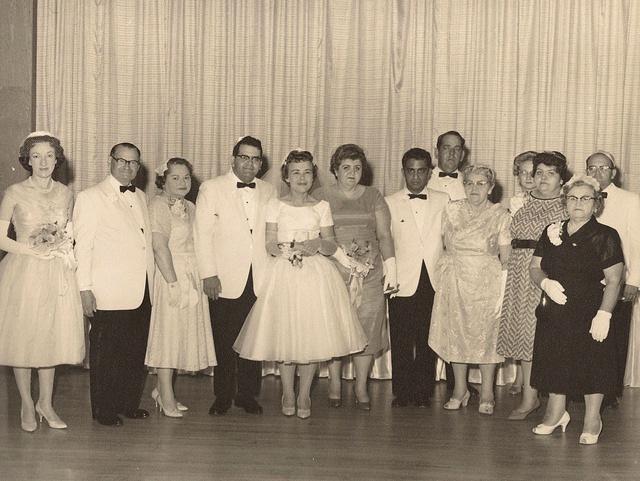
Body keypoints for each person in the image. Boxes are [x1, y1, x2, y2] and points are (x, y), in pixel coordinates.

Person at [234, 150, 367, 419]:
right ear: (286, 176)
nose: (302, 177)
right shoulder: (275, 204)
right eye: (296, 172)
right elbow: (269, 243)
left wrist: (317, 243)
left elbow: (330, 243)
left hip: (316, 275)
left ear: (313, 175)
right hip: (284, 274)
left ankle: (305, 392)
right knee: (286, 336)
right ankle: (288, 392)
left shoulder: (321, 207)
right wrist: (287, 250)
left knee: (311, 337)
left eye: (307, 172)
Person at [530, 175, 623, 444]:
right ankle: (556, 413)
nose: (578, 203)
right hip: (556, 308)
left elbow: (615, 279)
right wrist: (545, 283)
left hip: (590, 309)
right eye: (572, 198)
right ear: (564, 202)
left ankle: (593, 418)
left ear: (596, 205)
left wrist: (604, 314)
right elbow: (534, 267)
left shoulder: (605, 235)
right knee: (555, 361)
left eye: (585, 198)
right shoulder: (552, 230)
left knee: (593, 363)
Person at [0, 132, 84, 432]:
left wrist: (61, 248)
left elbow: (69, 232)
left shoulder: (65, 193)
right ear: (27, 159)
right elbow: (1, 239)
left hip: (56, 273)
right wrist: (33, 249)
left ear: (57, 158)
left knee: (50, 337)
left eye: (49, 155)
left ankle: (45, 403)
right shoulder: (14, 192)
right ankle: (25, 402)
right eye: (37, 156)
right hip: (24, 271)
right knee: (23, 338)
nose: (44, 161)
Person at [194, 135, 277, 416]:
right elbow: (202, 235)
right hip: (224, 276)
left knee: (254, 338)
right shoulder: (211, 188)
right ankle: (223, 395)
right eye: (244, 157)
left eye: (255, 159)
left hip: (260, 275)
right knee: (225, 338)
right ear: (233, 159)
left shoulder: (269, 190)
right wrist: (208, 274)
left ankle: (247, 394)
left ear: (261, 163)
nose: (249, 163)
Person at [74, 142, 155, 427]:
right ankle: (104, 409)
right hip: (107, 290)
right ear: (110, 161)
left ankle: (127, 404)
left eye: (133, 163)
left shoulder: (142, 196)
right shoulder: (90, 197)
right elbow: (82, 248)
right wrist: (84, 289)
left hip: (142, 289)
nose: (127, 167)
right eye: (122, 161)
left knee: (134, 351)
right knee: (107, 354)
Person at [315, 144, 396, 410]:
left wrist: (391, 270)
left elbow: (384, 235)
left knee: (367, 328)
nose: (352, 173)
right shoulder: (320, 196)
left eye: (357, 168)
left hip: (369, 273)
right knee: (335, 327)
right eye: (346, 168)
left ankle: (361, 386)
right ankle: (336, 383)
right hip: (333, 271)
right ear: (335, 170)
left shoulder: (373, 195)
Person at [428, 165, 511, 415]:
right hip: (453, 278)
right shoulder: (451, 210)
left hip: (487, 281)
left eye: (481, 183)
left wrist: (503, 290)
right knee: (456, 334)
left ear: (491, 188)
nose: (475, 188)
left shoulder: (501, 214)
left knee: (487, 338)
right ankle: (460, 390)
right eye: (470, 183)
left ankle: (487, 392)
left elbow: (506, 257)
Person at [496, 151, 568, 420]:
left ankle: (544, 398)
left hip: (545, 276)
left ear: (562, 179)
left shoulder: (564, 206)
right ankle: (530, 397)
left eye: (551, 173)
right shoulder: (524, 203)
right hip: (518, 274)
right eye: (539, 173)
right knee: (523, 337)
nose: (543, 179)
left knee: (540, 337)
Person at [145, 158, 217, 418]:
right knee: (168, 336)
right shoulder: (158, 205)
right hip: (170, 275)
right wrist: (173, 282)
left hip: (191, 274)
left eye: (186, 177)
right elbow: (159, 246)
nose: (182, 182)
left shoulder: (191, 206)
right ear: (163, 180)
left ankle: (160, 390)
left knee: (180, 334)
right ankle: (165, 396)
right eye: (175, 177)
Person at [385, 148, 449, 407]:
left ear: (429, 172)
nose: (415, 176)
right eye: (410, 171)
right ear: (403, 172)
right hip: (400, 278)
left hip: (433, 278)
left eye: (421, 170)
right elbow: (385, 241)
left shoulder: (444, 199)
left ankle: (423, 391)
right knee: (400, 337)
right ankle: (402, 391)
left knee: (427, 338)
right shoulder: (389, 201)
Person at [585, 151, 640, 407]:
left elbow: (638, 243)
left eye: (603, 168)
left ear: (613, 172)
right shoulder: (580, 197)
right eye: (592, 168)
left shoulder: (631, 201)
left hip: (617, 281)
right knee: (587, 336)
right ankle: (584, 388)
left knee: (615, 336)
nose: (597, 173)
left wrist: (634, 280)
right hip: (585, 282)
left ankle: (609, 392)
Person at [507, 150, 538, 396]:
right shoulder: (516, 201)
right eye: (523, 173)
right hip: (518, 263)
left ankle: (534, 382)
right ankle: (520, 375)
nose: (528, 177)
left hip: (540, 264)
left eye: (533, 172)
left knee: (536, 322)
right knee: (520, 320)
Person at [427, 131, 467, 201]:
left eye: (457, 149)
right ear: (436, 152)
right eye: (446, 148)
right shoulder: (423, 180)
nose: (452, 153)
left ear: (462, 155)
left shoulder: (469, 183)